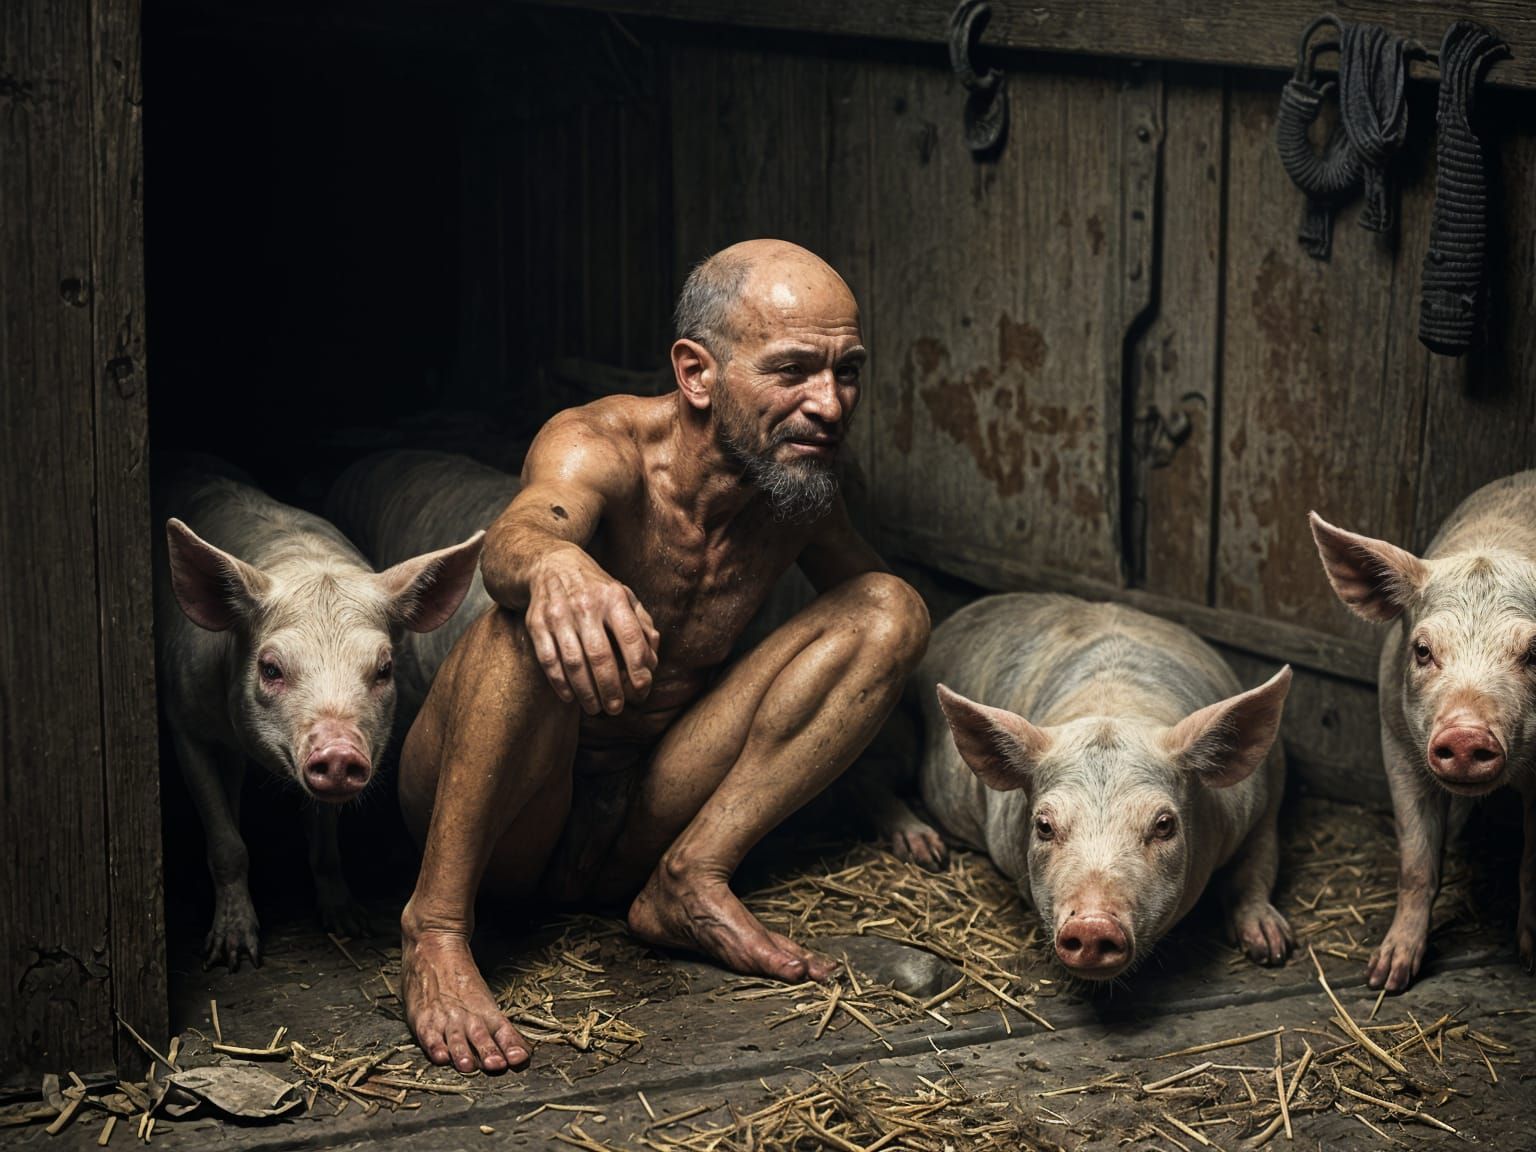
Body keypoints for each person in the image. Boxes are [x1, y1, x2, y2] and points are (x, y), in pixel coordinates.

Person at [398, 239, 931, 1073]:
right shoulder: (599, 446)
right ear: (697, 374)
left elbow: (875, 641)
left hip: (644, 814)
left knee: (894, 612)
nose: (829, 404)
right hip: (508, 818)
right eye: (793, 370)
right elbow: (518, 535)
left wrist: (892, 767)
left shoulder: (801, 483)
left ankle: (691, 878)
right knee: (521, 623)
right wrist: (557, 564)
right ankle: (434, 929)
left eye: (848, 371)